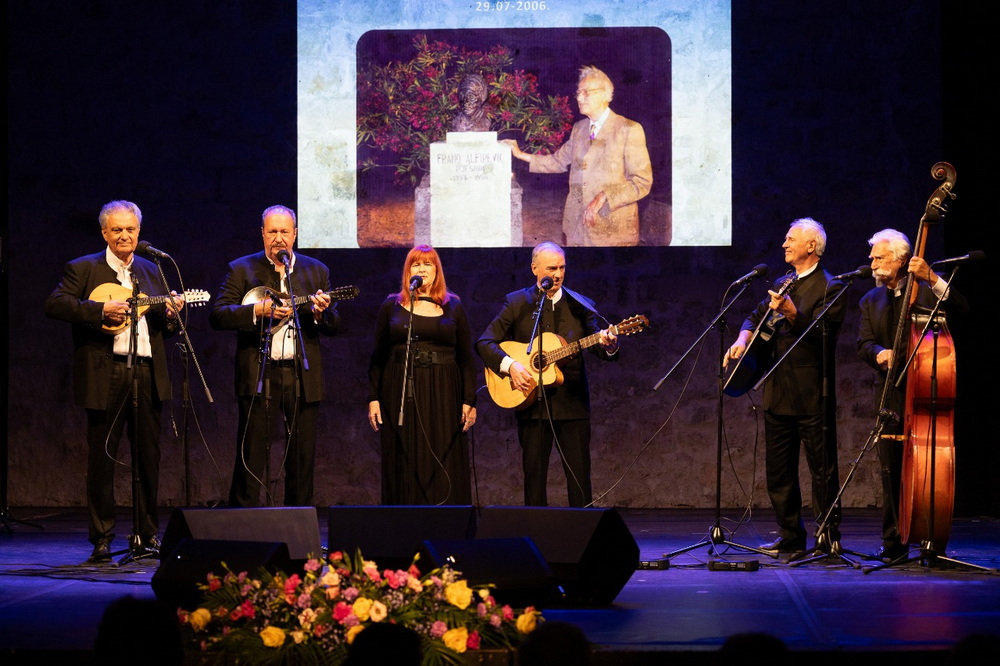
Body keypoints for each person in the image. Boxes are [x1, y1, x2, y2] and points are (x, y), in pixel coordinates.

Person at [44, 200, 182, 562]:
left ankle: (147, 535)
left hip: (146, 371)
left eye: (130, 229)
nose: (124, 235)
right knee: (103, 457)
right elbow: (55, 304)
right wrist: (99, 309)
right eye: (117, 229)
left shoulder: (152, 270)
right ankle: (102, 537)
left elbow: (165, 329)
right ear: (104, 232)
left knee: (148, 457)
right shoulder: (84, 268)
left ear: (139, 232)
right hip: (106, 372)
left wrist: (171, 314)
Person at [724, 218, 845, 553]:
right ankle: (790, 535)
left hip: (811, 394)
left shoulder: (831, 287)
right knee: (779, 471)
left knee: (822, 470)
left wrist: (792, 313)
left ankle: (827, 536)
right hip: (778, 390)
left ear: (811, 245)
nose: (784, 245)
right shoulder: (783, 282)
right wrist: (742, 338)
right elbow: (754, 315)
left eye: (791, 239)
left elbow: (824, 336)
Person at [209, 204, 340, 508]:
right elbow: (218, 315)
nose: (278, 238)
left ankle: (299, 523)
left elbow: (335, 324)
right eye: (272, 232)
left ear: (295, 234)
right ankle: (244, 523)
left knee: (302, 456)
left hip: (301, 374)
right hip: (260, 372)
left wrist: (320, 313)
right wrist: (257, 311)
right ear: (262, 234)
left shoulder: (316, 270)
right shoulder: (241, 268)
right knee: (252, 453)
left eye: (284, 231)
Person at [476, 241, 618, 507]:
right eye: (552, 268)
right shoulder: (517, 302)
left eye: (562, 268)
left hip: (572, 404)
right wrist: (511, 365)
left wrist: (609, 344)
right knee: (534, 479)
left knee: (579, 480)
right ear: (535, 268)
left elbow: (598, 346)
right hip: (532, 405)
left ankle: (581, 530)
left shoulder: (581, 305)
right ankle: (535, 530)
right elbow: (485, 343)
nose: (558, 274)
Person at [857, 228, 968, 562]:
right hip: (890, 393)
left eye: (878, 257)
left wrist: (931, 277)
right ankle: (893, 543)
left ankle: (931, 539)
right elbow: (864, 344)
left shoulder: (927, 290)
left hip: (925, 391)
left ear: (901, 259)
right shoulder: (870, 300)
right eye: (872, 257)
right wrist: (879, 353)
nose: (872, 263)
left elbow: (962, 307)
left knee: (928, 469)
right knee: (890, 469)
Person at [367, 245, 478, 505]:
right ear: (408, 271)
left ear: (437, 270)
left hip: (444, 391)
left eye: (428, 264)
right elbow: (378, 356)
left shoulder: (453, 306)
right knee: (404, 456)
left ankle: (446, 521)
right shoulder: (391, 305)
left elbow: (466, 357)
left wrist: (469, 400)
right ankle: (404, 519)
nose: (422, 269)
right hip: (400, 389)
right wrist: (373, 397)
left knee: (443, 454)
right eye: (416, 264)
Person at [504, 65, 652, 247]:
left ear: (605, 95)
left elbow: (641, 182)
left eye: (586, 92)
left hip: (612, 231)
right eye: (578, 93)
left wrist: (605, 196)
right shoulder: (579, 129)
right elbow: (557, 161)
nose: (579, 98)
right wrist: (520, 154)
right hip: (576, 228)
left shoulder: (629, 129)